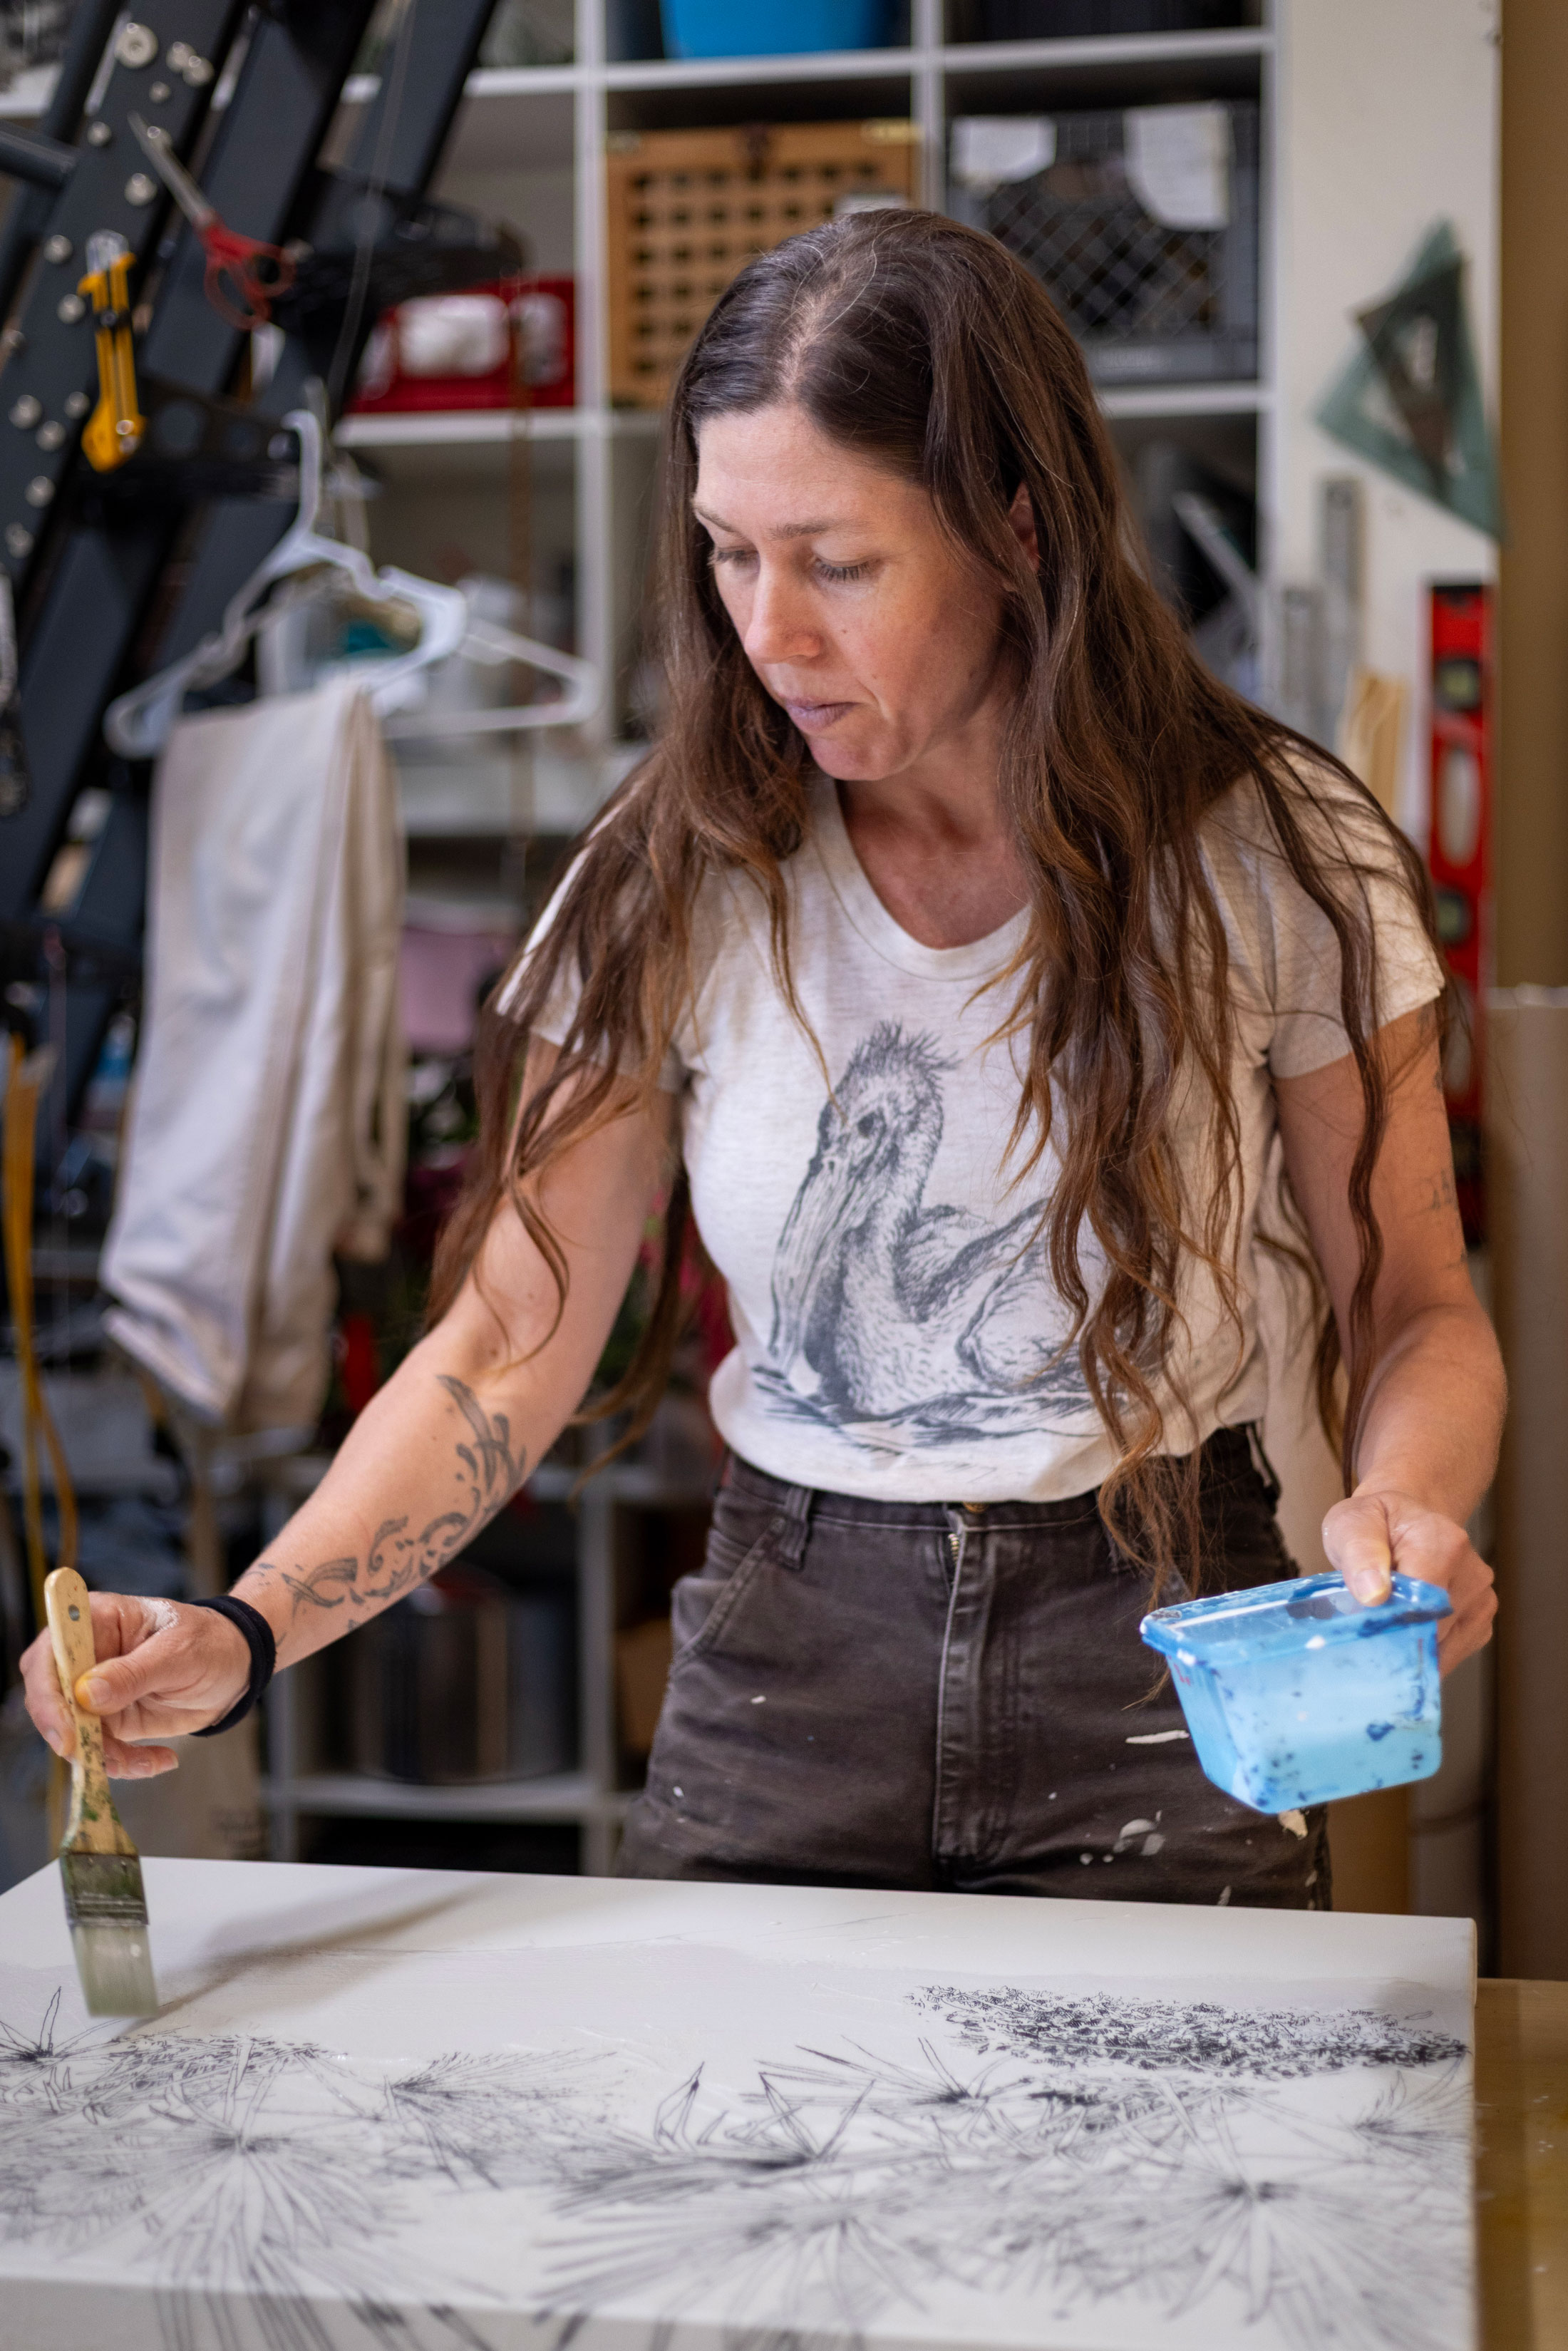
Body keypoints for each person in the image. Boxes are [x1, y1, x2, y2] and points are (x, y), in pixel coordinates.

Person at [23, 212, 1501, 1907]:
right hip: (789, 1652)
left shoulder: (1269, 849)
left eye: (837, 561)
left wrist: (1406, 1505)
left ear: (1017, 528)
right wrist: (241, 1626)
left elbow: (1415, 1311)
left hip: (1162, 1653)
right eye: (728, 553)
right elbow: (509, 1342)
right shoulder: (681, 870)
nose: (766, 632)